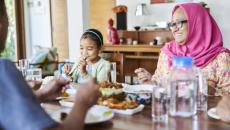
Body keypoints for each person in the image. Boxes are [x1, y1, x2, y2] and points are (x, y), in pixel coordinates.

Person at [0, 1, 100, 130]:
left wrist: (42, 94)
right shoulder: (3, 70)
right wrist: (82, 103)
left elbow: (7, 106)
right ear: (1, 24)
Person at [135, 3, 230, 96]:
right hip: (171, 109)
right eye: (172, 24)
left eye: (179, 23)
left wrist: (207, 89)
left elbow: (228, 93)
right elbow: (160, 83)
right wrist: (151, 82)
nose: (174, 29)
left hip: (203, 111)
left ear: (197, 22)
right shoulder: (167, 52)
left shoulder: (221, 57)